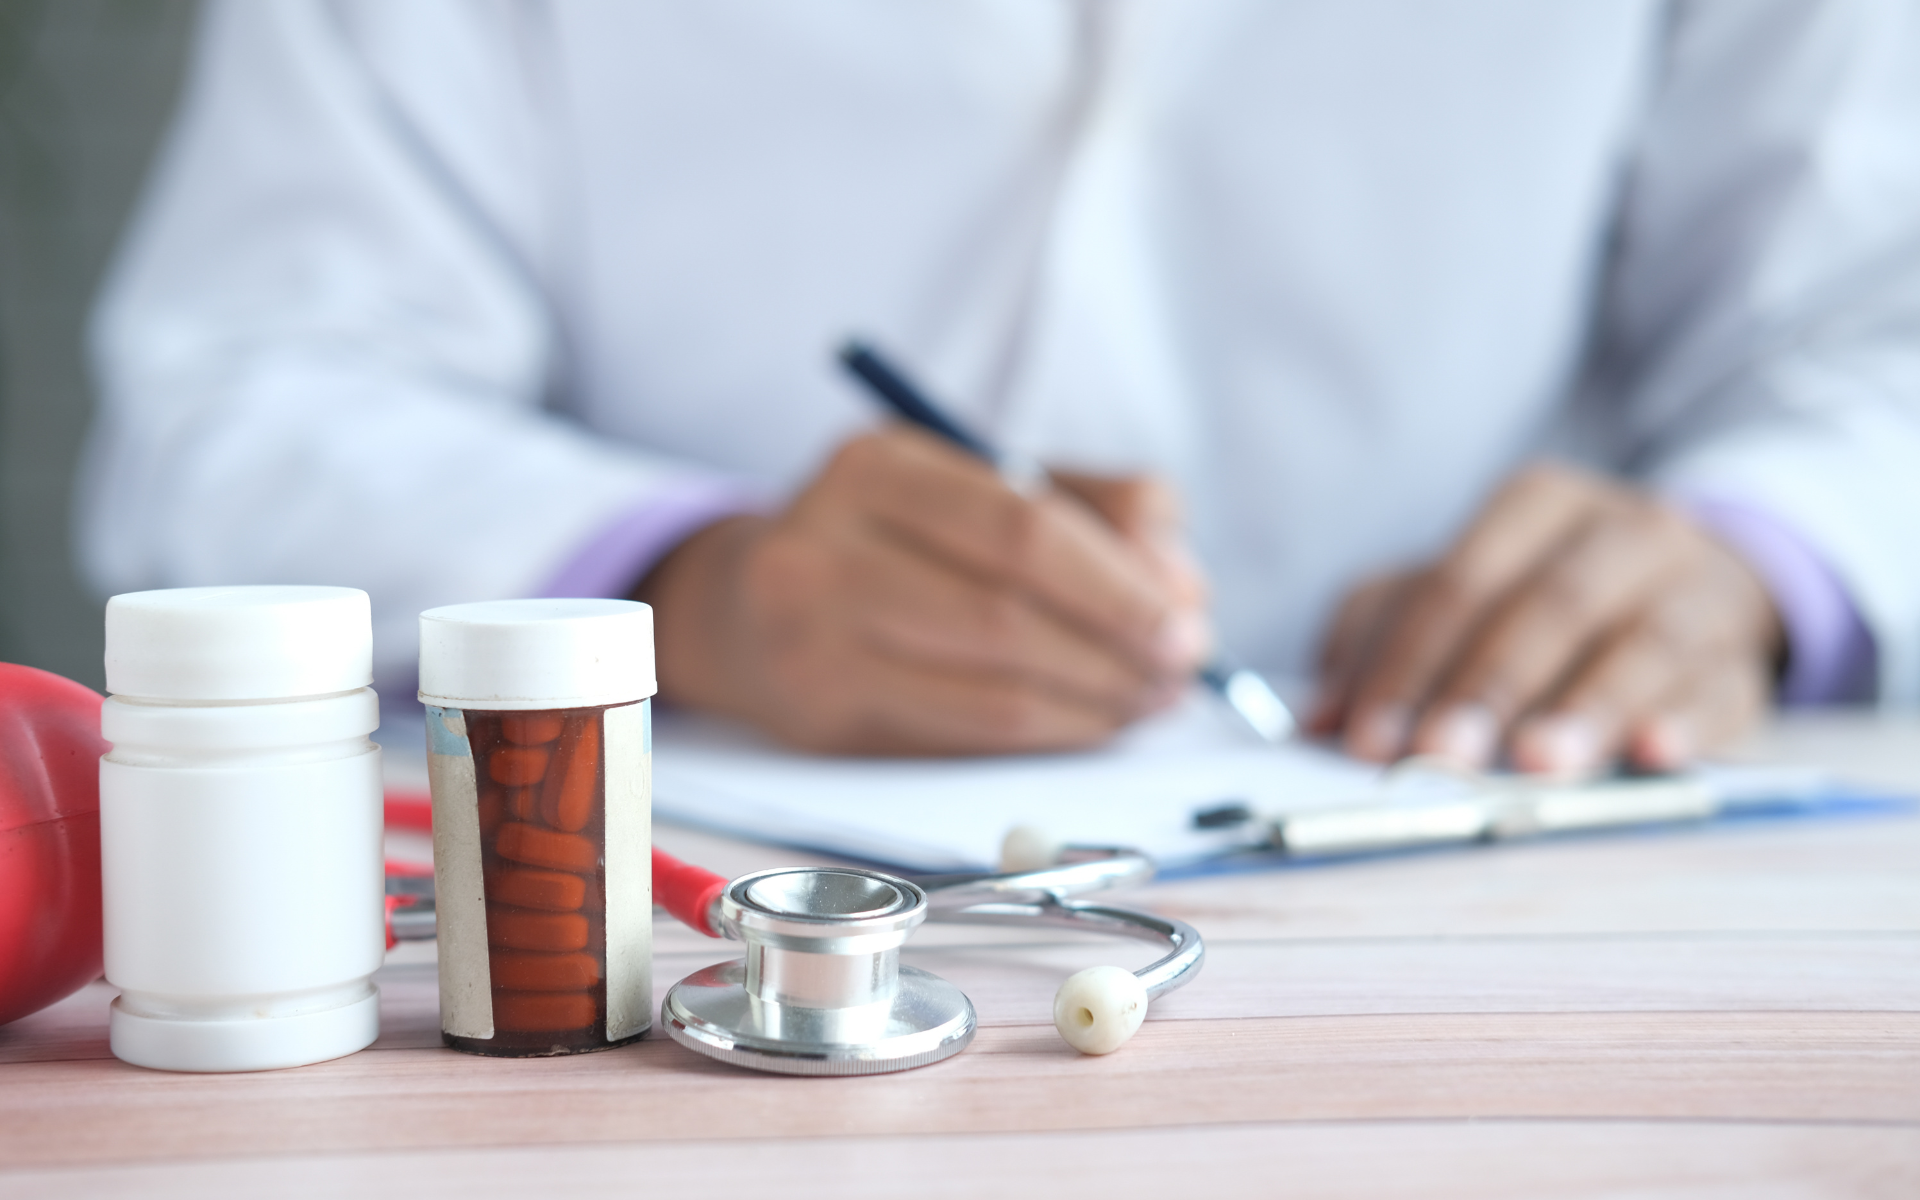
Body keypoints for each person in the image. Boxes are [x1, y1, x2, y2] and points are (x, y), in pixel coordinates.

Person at [80, 1, 1920, 774]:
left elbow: (1877, 335)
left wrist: (1756, 562)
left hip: (1506, 848)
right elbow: (243, 399)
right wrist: (687, 590)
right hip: (692, 896)